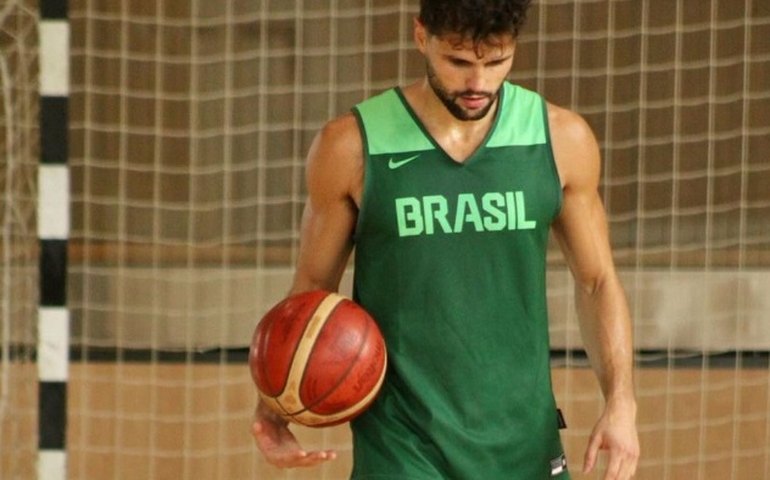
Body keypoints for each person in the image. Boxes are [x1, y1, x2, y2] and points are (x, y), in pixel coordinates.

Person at [253, 0, 639, 478]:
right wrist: (274, 403)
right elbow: (312, 287)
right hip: (402, 445)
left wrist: (621, 402)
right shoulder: (351, 145)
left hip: (523, 439)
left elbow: (597, 282)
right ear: (421, 37)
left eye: (496, 61)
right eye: (458, 62)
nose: (478, 83)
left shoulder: (560, 139)